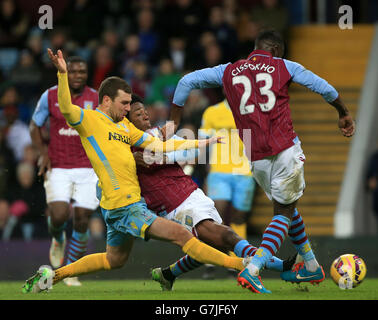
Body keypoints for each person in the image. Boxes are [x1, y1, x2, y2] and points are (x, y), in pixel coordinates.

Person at [22, 49, 248, 294]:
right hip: (126, 206)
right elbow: (66, 108)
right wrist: (62, 75)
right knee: (182, 235)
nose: (129, 108)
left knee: (113, 260)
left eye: (130, 103)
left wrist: (201, 143)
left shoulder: (124, 128)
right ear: (106, 100)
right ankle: (242, 265)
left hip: (116, 206)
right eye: (125, 103)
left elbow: (160, 146)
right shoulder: (89, 120)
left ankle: (52, 275)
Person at [164, 29, 356, 293]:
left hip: (256, 159)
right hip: (285, 150)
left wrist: (173, 121)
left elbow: (186, 82)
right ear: (276, 50)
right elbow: (324, 88)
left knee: (287, 207)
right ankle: (254, 269)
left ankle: (311, 266)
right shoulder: (284, 66)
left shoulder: (228, 70)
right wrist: (343, 112)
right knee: (283, 212)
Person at [127, 94, 296, 290]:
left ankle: (168, 274)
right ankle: (281, 266)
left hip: (191, 193)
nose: (145, 115)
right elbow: (160, 155)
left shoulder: (156, 133)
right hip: (174, 205)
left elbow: (180, 137)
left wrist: (182, 95)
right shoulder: (128, 148)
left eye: (145, 111)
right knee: (226, 236)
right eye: (138, 114)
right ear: (127, 121)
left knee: (215, 245)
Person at [29, 55, 100, 287]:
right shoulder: (50, 95)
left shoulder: (96, 98)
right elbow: (34, 125)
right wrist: (43, 153)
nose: (78, 76)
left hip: (89, 168)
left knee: (82, 218)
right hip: (58, 165)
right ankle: (58, 237)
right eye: (73, 71)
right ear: (65, 72)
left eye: (82, 72)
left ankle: (69, 272)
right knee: (59, 215)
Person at [199, 98, 256, 279]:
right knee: (218, 215)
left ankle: (237, 262)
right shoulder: (212, 111)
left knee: (239, 217)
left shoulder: (252, 110)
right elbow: (203, 143)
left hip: (245, 171)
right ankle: (211, 261)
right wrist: (204, 171)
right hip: (219, 170)